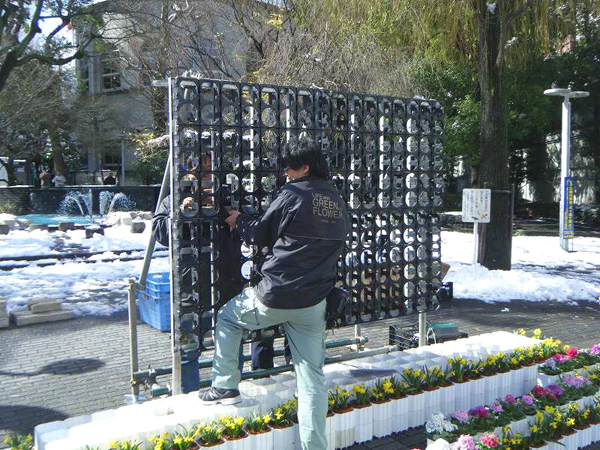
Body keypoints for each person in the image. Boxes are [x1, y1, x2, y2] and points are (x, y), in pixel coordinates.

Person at [200, 139, 349, 450]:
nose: (285, 173)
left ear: (304, 167)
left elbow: (259, 234)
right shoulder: (335, 198)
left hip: (276, 295)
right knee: (311, 380)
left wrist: (237, 219)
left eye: (289, 167)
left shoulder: (293, 193)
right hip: (314, 302)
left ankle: (225, 386)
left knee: (227, 318)